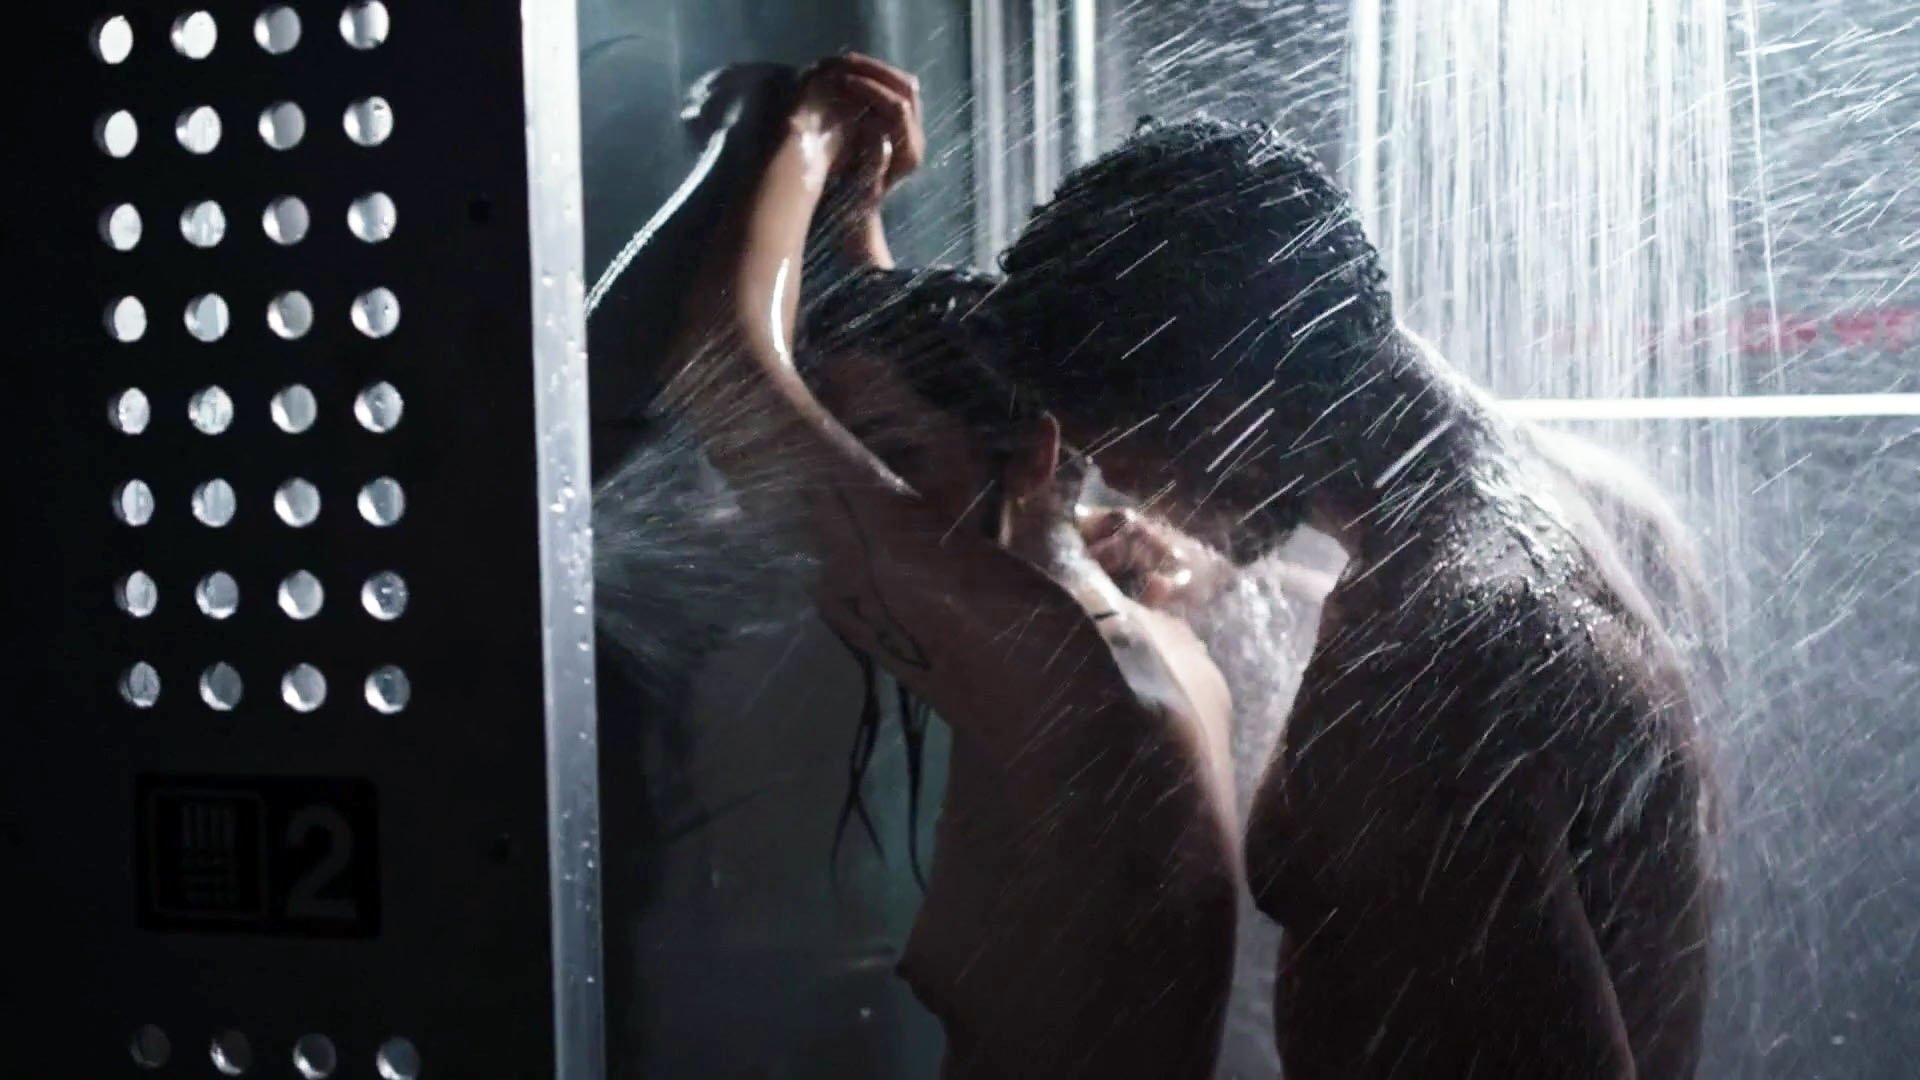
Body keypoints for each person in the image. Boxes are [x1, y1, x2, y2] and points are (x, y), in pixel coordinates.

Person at [983, 117, 1717, 1078]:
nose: (1121, 490)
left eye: (1119, 452)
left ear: (1227, 413)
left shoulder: (1428, 675)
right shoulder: (1593, 505)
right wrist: (1236, 568)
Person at [636, 55, 1243, 1078]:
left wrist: (809, 137)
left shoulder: (1062, 673)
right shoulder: (1117, 628)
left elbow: (726, 376)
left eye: (893, 459)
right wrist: (855, 212)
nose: (864, 495)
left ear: (1036, 454)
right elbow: (933, 421)